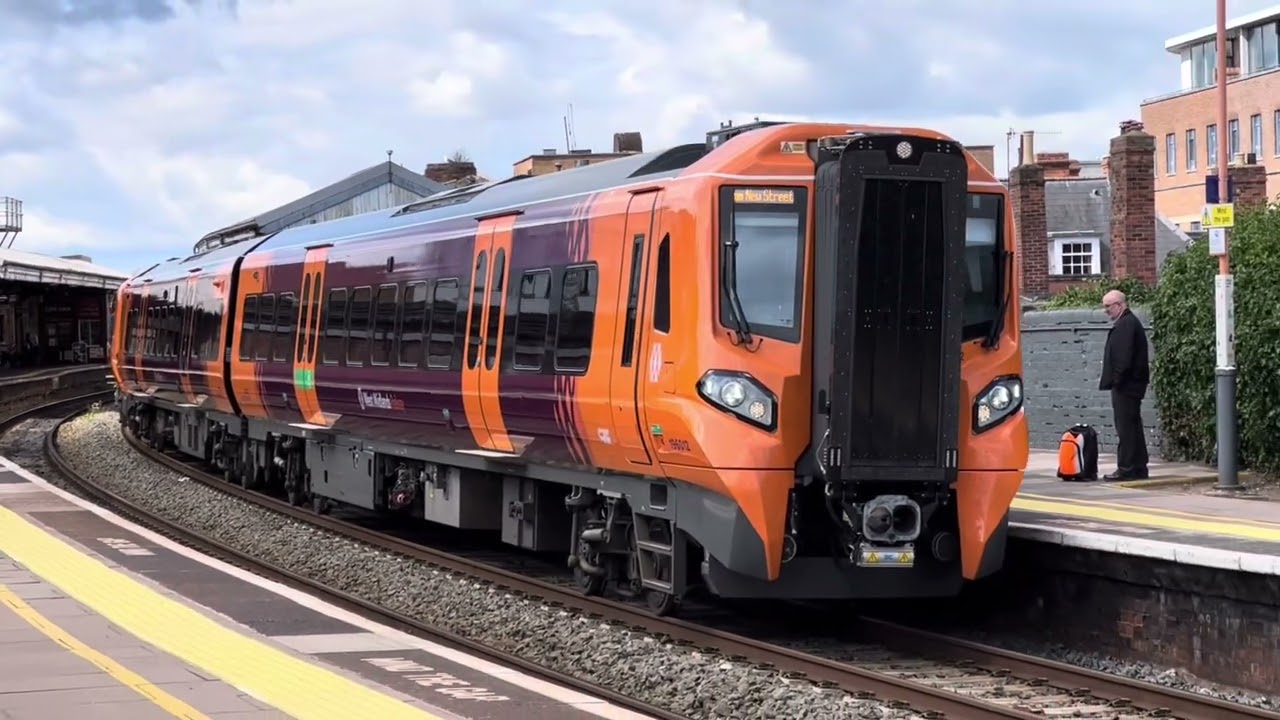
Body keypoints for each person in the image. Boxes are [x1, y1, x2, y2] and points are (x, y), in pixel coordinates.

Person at [1099, 290, 1150, 480]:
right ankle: (1139, 467)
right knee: (1133, 425)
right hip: (1133, 384)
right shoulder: (1130, 323)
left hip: (1126, 385)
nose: (1105, 311)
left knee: (1126, 427)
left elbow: (1123, 358)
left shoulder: (1125, 325)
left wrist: (1117, 381)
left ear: (1119, 305)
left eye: (1108, 306)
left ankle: (1127, 468)